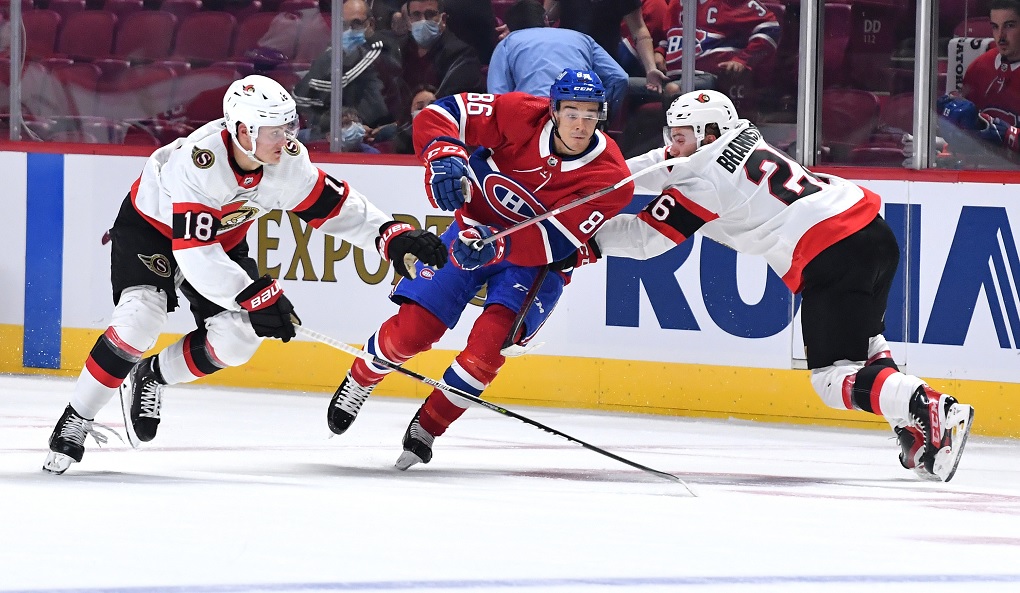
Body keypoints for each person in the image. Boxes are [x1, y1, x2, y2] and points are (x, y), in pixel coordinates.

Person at [42, 75, 448, 475]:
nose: (287, 138)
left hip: (221, 241)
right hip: (152, 231)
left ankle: (151, 376)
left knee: (238, 340)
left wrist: (388, 235)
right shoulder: (200, 163)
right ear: (242, 131)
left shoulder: (285, 161)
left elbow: (332, 205)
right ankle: (76, 417)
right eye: (275, 130)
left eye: (289, 126)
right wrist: (253, 295)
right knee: (139, 321)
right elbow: (195, 255)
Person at [568, 90, 975, 482]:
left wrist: (577, 242)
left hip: (832, 253)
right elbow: (666, 163)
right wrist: (607, 176)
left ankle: (924, 403)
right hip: (872, 233)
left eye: (679, 136)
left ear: (708, 135)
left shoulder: (704, 182)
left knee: (831, 379)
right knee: (866, 344)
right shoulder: (742, 135)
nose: (672, 145)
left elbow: (646, 237)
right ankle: (915, 428)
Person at [325, 69, 634, 470]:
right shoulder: (520, 112)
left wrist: (498, 244)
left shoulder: (611, 178)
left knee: (486, 352)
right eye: (571, 112)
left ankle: (430, 425)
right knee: (414, 330)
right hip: (470, 232)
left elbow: (557, 241)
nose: (580, 123)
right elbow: (441, 113)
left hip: (536, 264)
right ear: (554, 110)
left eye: (590, 114)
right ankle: (361, 379)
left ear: (601, 115)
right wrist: (442, 153)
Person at [488, 0, 629, 119]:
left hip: (531, 114)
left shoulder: (508, 43)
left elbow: (498, 96)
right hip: (580, 113)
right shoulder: (582, 38)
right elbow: (619, 77)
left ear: (510, 28)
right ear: (545, 19)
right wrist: (601, 116)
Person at [293, 0, 402, 141]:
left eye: (356, 23)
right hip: (333, 128)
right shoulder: (333, 52)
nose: (349, 30)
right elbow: (301, 97)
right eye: (343, 25)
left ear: (370, 24)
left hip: (370, 130)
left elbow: (339, 82)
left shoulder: (379, 49)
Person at [654, 0, 781, 115]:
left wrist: (743, 60)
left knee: (673, 90)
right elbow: (671, 37)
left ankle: (676, 133)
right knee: (641, 88)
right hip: (668, 76)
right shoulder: (676, 3)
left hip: (711, 76)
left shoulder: (729, 2)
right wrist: (660, 52)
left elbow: (771, 28)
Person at [934, 0, 1020, 166]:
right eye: (995, 27)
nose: (1001, 36)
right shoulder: (980, 67)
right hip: (981, 172)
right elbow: (968, 135)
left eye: (1009, 26)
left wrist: (1008, 134)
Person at [544, 0, 668, 93]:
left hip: (603, 60)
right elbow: (545, 18)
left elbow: (638, 30)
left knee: (620, 80)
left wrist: (650, 69)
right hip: (569, 54)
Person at [398, 0, 486, 104]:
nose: (423, 20)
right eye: (416, 15)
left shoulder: (462, 57)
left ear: (443, 19)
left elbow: (458, 103)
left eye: (430, 14)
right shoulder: (398, 50)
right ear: (409, 20)